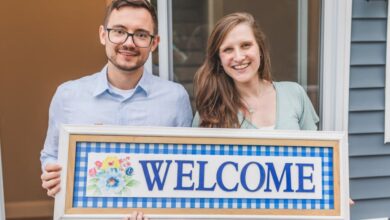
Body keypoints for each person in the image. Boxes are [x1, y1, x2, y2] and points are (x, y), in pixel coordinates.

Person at [40, 0, 193, 198]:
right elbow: (51, 154)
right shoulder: (68, 96)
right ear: (103, 35)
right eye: (119, 31)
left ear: (154, 43)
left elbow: (186, 165)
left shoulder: (175, 98)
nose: (129, 43)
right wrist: (51, 172)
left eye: (140, 34)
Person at [192, 12, 318, 129]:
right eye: (228, 49)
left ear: (260, 49)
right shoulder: (210, 111)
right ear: (219, 59)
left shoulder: (294, 94)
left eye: (246, 45)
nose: (239, 57)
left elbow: (316, 149)